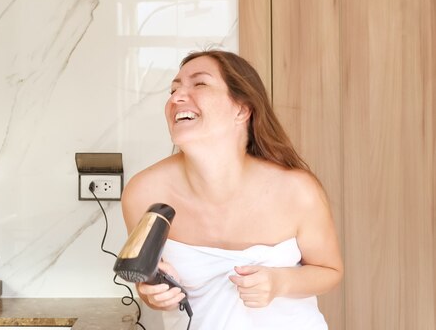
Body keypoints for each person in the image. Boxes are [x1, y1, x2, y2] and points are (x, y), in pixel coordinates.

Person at [121, 50, 343, 330]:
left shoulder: (297, 190)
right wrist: (151, 294)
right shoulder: (143, 193)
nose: (176, 97)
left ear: (241, 109)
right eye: (174, 89)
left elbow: (330, 272)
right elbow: (150, 279)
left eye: (199, 84)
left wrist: (279, 282)